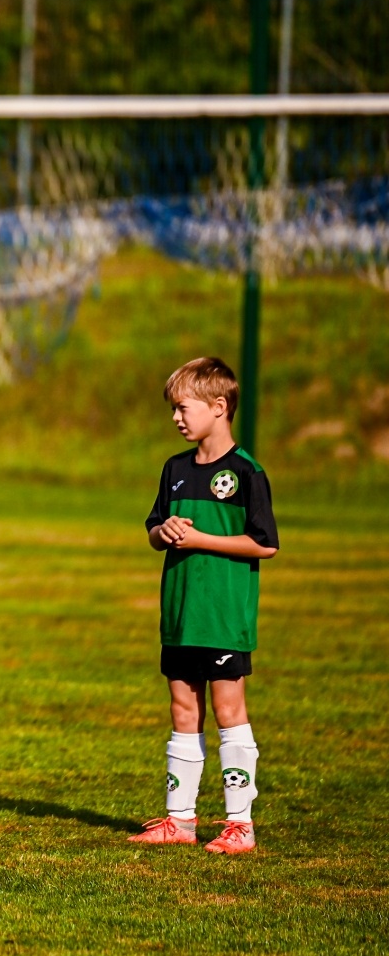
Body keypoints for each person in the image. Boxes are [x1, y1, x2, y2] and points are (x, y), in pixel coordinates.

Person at [130, 357, 278, 855]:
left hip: (222, 616)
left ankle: (240, 825)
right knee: (182, 708)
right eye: (173, 409)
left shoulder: (246, 472)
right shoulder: (174, 469)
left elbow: (265, 544)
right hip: (180, 613)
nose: (176, 418)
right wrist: (164, 531)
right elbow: (155, 531)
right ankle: (180, 820)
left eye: (183, 407)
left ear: (218, 407)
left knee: (228, 710)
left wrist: (202, 539)